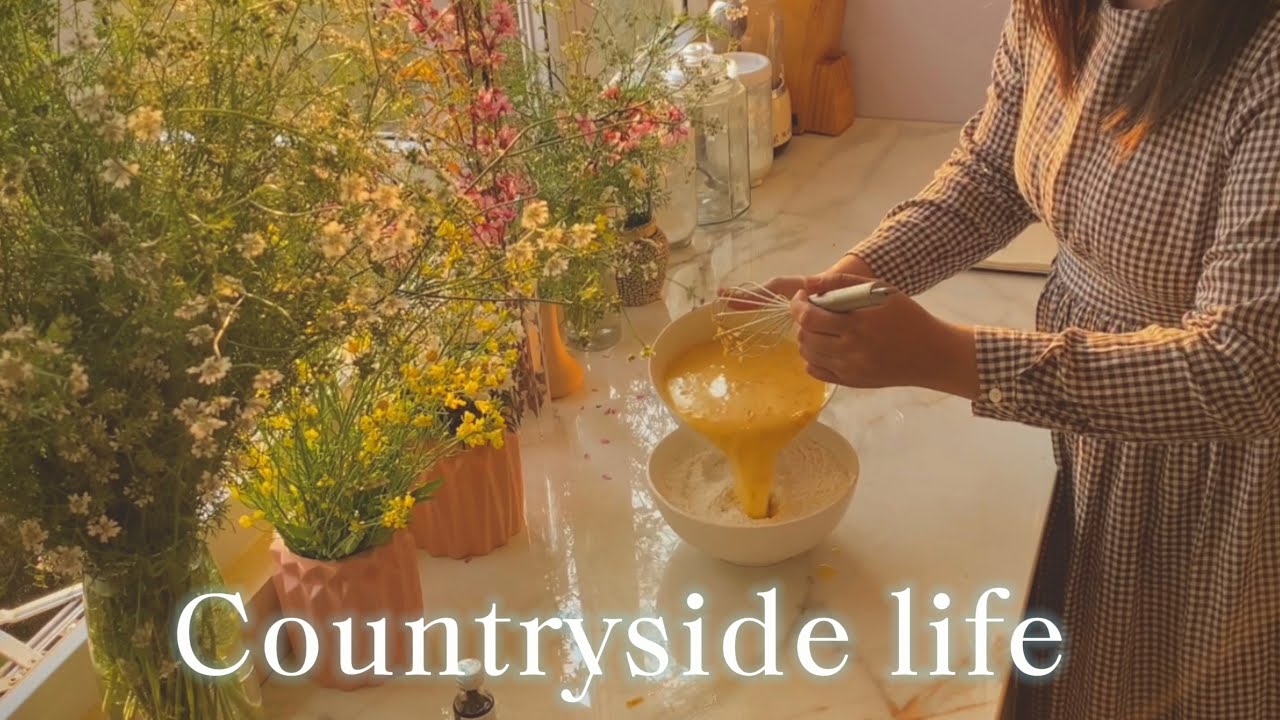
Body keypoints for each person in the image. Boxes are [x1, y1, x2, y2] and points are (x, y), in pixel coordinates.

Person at [742, 0, 1280, 717]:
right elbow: (993, 171)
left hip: (1210, 470)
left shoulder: (1263, 60)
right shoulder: (1053, 9)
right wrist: (852, 283)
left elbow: (1243, 368)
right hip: (1078, 413)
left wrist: (945, 356)